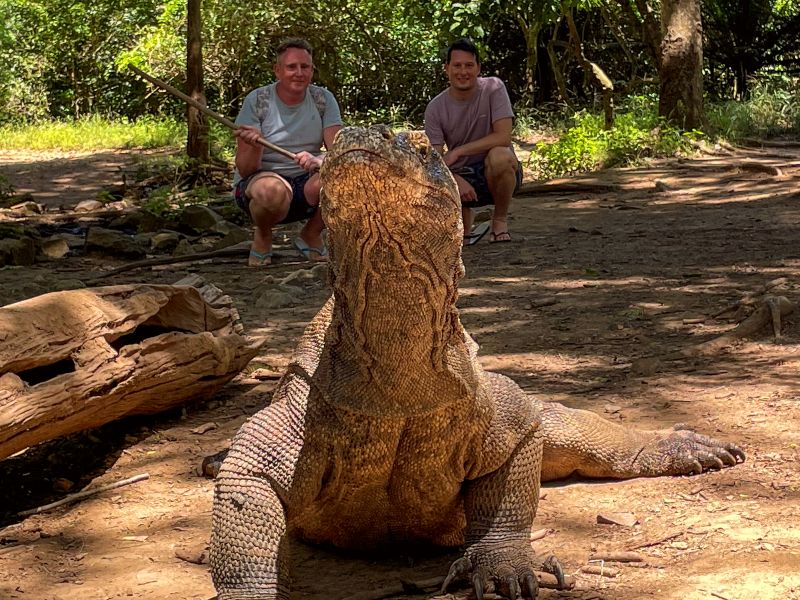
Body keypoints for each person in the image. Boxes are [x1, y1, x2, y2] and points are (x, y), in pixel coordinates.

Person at [233, 37, 342, 266]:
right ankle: (263, 235)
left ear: (312, 71)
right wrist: (255, 145)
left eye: (305, 67)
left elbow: (339, 152)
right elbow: (245, 170)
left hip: (307, 183)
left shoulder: (323, 99)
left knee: (349, 178)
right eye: (292, 67)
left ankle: (311, 234)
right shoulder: (258, 100)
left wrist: (318, 159)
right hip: (262, 182)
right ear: (278, 70)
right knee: (270, 191)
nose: (299, 73)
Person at [424, 38, 522, 245]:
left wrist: (458, 151)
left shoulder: (494, 87)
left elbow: (503, 136)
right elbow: (434, 159)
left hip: (497, 169)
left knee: (500, 155)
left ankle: (499, 221)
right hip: (462, 174)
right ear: (447, 69)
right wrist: (454, 179)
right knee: (433, 179)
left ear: (478, 68)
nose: (463, 72)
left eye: (469, 65)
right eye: (457, 65)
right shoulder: (435, 107)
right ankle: (464, 226)